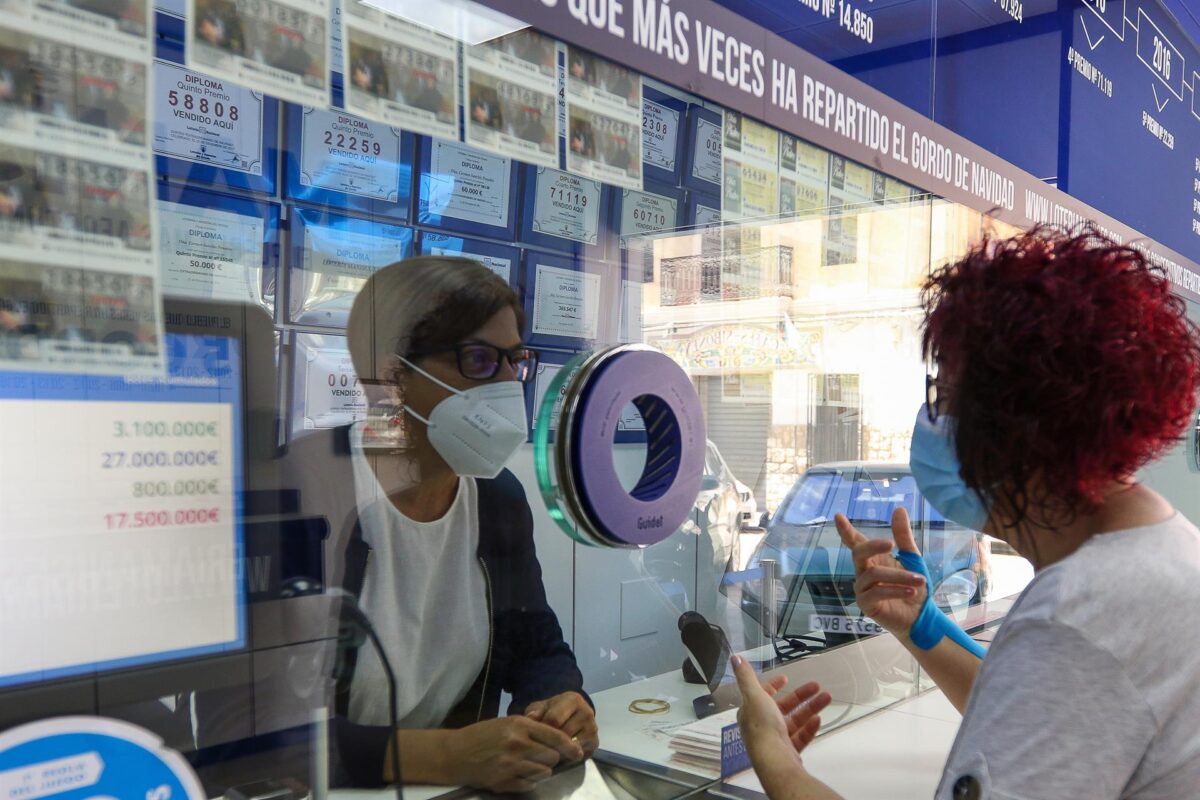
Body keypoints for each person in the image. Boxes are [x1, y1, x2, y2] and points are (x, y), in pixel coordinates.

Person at [734, 226, 1200, 799]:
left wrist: (777, 761)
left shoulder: (1078, 619)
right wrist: (923, 626)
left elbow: (1063, 681)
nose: (932, 421)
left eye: (945, 400)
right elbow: (1041, 712)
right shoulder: (1166, 553)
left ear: (1013, 427)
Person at [295, 256, 597, 791]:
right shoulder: (306, 490)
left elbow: (538, 648)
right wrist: (445, 754)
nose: (509, 385)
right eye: (479, 360)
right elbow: (254, 731)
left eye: (515, 361)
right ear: (392, 378)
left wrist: (560, 703)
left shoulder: (498, 500)